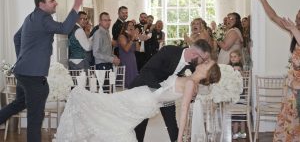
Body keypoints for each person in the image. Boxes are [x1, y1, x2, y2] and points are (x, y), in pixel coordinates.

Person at [55, 59, 221, 142]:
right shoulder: (190, 78)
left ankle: (78, 96)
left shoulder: (191, 83)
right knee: (114, 117)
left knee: (106, 105)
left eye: (207, 64)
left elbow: (183, 111)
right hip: (145, 98)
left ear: (208, 74)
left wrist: (179, 139)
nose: (204, 61)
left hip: (144, 99)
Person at [0, 0, 86, 142]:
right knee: (35, 118)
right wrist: (76, 5)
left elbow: (16, 37)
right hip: (33, 77)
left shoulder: (30, 17)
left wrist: (22, 59)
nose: (56, 3)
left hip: (22, 72)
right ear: (41, 4)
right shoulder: (44, 18)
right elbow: (64, 29)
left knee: (19, 104)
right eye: (52, 1)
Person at [130, 39, 212, 142]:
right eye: (203, 59)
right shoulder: (168, 51)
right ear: (194, 53)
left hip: (168, 94)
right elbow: (146, 71)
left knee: (171, 123)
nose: (203, 62)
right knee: (141, 123)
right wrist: (160, 92)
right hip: (145, 89)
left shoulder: (193, 65)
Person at [252, 0, 300, 141]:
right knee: (290, 119)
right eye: (297, 16)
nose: (297, 19)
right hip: (293, 86)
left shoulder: (295, 32)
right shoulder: (294, 32)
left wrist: (294, 29)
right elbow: (273, 16)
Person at [228, 50, 246, 139]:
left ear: (239, 57)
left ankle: (237, 133)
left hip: (240, 94)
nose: (233, 58)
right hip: (234, 93)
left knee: (239, 113)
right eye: (231, 57)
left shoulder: (239, 67)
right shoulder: (230, 67)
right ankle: (241, 132)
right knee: (238, 113)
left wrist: (237, 70)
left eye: (235, 56)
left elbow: (242, 74)